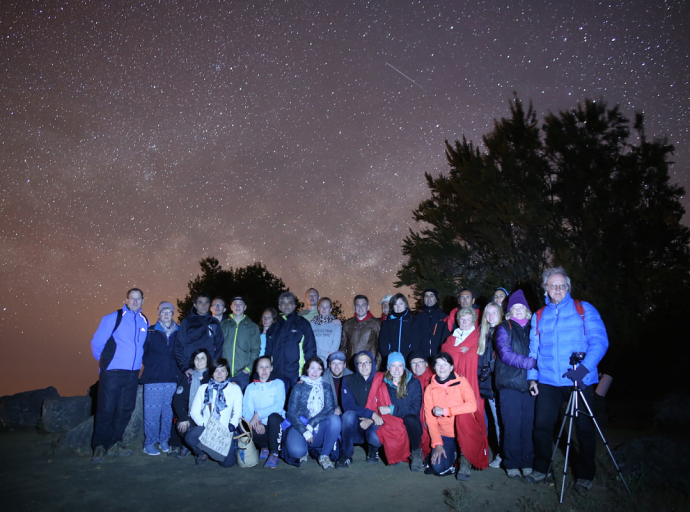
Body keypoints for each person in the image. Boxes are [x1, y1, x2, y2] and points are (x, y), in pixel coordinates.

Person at [525, 268, 608, 490]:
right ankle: (541, 469)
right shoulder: (539, 315)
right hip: (548, 381)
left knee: (583, 429)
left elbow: (599, 342)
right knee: (541, 427)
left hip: (579, 381)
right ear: (545, 288)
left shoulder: (584, 309)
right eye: (553, 285)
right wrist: (532, 378)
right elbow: (534, 350)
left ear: (568, 287)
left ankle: (585, 474)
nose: (558, 289)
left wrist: (583, 370)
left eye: (562, 285)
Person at [90, 288, 149, 464]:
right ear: (126, 299)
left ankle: (114, 442)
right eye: (132, 298)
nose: (135, 302)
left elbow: (141, 346)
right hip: (113, 372)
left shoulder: (144, 320)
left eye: (139, 299)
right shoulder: (112, 318)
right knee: (106, 408)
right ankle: (100, 446)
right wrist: (106, 364)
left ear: (143, 301)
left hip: (132, 373)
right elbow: (97, 343)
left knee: (126, 409)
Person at [440, 306, 489, 479]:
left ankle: (466, 459)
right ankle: (453, 454)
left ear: (474, 321)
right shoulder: (452, 338)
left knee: (468, 419)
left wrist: (465, 353)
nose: (464, 322)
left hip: (471, 386)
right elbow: (446, 353)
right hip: (452, 387)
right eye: (461, 319)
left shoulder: (478, 337)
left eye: (468, 319)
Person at [495, 290, 537, 479]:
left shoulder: (534, 328)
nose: (518, 310)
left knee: (528, 425)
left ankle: (527, 461)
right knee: (511, 425)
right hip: (510, 383)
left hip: (530, 384)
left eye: (521, 307)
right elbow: (505, 353)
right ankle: (511, 462)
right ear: (509, 310)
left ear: (527, 310)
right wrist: (529, 363)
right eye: (514, 307)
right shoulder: (504, 327)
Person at [365, 352, 424, 472]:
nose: (397, 369)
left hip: (411, 426)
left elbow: (415, 410)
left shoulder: (414, 383)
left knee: (410, 418)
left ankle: (416, 452)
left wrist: (391, 409)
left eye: (400, 365)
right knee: (373, 435)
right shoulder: (383, 385)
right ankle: (384, 450)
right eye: (393, 365)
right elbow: (376, 407)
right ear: (388, 368)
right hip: (392, 424)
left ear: (404, 367)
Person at [424, 352, 477, 476]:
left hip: (464, 432)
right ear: (434, 368)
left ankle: (464, 458)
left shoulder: (461, 382)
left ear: (452, 367)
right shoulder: (430, 389)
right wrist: (437, 443)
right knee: (438, 467)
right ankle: (453, 454)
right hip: (445, 434)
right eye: (438, 364)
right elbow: (430, 420)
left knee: (464, 415)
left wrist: (445, 411)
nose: (442, 368)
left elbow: (472, 405)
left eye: (445, 364)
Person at [284, 356, 341, 470]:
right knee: (297, 452)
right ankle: (305, 449)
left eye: (319, 369)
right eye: (312, 368)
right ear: (307, 369)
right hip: (300, 426)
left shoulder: (326, 387)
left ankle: (324, 455)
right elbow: (291, 413)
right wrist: (305, 431)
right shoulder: (298, 387)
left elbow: (329, 408)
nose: (315, 372)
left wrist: (312, 424)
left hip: (318, 426)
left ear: (322, 371)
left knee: (335, 420)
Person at [140, 301, 181, 456]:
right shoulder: (150, 331)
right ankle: (149, 442)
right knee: (152, 412)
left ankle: (164, 439)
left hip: (172, 378)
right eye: (163, 311)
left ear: (172, 313)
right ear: (159, 313)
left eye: (169, 311)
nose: (166, 314)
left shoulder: (179, 331)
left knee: (168, 412)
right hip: (153, 378)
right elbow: (142, 352)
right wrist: (152, 364)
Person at [186, 358, 242, 467]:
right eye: (216, 371)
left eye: (222, 370)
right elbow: (194, 412)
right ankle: (203, 453)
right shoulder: (203, 388)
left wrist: (232, 425)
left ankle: (216, 450)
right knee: (190, 436)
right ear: (212, 373)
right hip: (208, 430)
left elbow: (238, 413)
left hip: (225, 432)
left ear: (227, 372)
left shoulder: (235, 389)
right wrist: (204, 424)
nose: (219, 374)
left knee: (227, 464)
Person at [265, 292, 317, 395]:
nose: (286, 305)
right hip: (277, 373)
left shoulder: (302, 323)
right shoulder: (274, 326)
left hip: (296, 374)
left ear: (294, 306)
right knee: (279, 406)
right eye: (283, 303)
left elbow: (310, 348)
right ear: (279, 307)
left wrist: (307, 372)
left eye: (289, 302)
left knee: (297, 405)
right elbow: (268, 351)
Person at [337, 350, 382, 468]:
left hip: (375, 422)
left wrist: (371, 419)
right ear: (356, 366)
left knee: (375, 438)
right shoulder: (348, 380)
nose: (364, 366)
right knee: (347, 416)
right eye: (360, 363)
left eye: (367, 362)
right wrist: (370, 414)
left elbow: (386, 404)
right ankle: (346, 454)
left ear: (372, 364)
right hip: (357, 423)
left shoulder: (380, 379)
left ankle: (373, 449)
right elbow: (348, 406)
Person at [242, 356, 286, 468]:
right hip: (260, 424)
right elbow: (247, 409)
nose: (264, 370)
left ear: (271, 368)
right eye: (261, 367)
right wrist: (256, 421)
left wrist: (258, 414)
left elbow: (278, 406)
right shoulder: (250, 387)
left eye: (267, 367)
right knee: (251, 426)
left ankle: (274, 453)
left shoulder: (278, 383)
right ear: (256, 369)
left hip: (276, 424)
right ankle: (264, 447)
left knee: (274, 417)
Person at [171, 348, 211, 459]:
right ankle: (192, 447)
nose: (199, 361)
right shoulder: (188, 377)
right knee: (182, 426)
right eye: (196, 358)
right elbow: (177, 400)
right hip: (191, 415)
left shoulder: (213, 377)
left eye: (202, 358)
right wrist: (183, 417)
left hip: (209, 417)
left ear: (208, 360)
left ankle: (203, 449)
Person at [477, 302, 504, 469]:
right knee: (496, 421)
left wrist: (491, 367)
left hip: (502, 384)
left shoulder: (504, 331)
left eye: (494, 312)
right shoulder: (484, 334)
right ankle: (502, 453)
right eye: (488, 312)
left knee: (504, 421)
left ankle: (506, 454)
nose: (491, 316)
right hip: (489, 385)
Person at [174, 293, 224, 376]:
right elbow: (178, 346)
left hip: (208, 370)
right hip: (190, 369)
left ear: (209, 305)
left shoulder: (214, 322)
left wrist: (213, 366)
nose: (203, 305)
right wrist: (185, 367)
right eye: (200, 302)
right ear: (195, 305)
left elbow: (219, 346)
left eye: (206, 302)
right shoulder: (187, 322)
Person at [221, 296, 261, 391]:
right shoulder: (223, 324)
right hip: (224, 372)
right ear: (231, 307)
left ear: (245, 307)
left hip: (242, 374)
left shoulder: (252, 326)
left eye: (240, 304)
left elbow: (255, 349)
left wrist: (248, 369)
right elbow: (217, 346)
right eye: (235, 304)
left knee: (241, 402)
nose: (238, 306)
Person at [340, 295, 382, 369]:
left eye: (363, 305)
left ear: (368, 307)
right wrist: (343, 365)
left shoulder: (376, 324)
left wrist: (376, 367)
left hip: (368, 366)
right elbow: (343, 347)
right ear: (354, 308)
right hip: (351, 366)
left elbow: (380, 348)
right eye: (357, 305)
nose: (360, 307)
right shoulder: (347, 324)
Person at [379, 293, 421, 362]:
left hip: (408, 361)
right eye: (395, 304)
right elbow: (383, 345)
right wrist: (391, 358)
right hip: (391, 361)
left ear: (405, 304)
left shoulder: (413, 323)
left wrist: (406, 358)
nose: (398, 307)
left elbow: (415, 344)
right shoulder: (387, 324)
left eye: (400, 304)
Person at [409, 351, 434, 461]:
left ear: (426, 364)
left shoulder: (434, 378)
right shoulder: (408, 379)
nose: (417, 366)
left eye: (420, 362)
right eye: (413, 363)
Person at [416, 288, 449, 357]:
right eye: (426, 296)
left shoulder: (445, 317)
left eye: (431, 295)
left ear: (436, 299)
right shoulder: (417, 318)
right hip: (422, 359)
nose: (428, 297)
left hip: (439, 357)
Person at [311, 297, 342, 367]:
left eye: (327, 307)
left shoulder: (336, 326)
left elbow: (334, 348)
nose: (324, 309)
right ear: (318, 308)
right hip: (314, 363)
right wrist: (325, 354)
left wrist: (328, 355)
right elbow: (311, 345)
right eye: (322, 306)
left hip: (329, 364)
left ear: (330, 309)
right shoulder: (311, 325)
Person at [322, 351, 352, 415]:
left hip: (347, 411)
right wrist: (303, 379)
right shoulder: (323, 376)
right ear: (329, 365)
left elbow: (354, 401)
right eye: (333, 363)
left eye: (339, 363)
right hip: (329, 411)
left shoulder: (351, 377)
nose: (336, 367)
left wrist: (340, 410)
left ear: (344, 365)